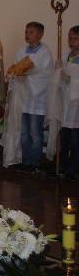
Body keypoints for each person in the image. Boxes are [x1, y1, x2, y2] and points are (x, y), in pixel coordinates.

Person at [3, 22, 52, 171]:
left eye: (31, 32)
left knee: (35, 133)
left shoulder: (45, 53)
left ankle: (34, 162)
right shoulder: (20, 51)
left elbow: (44, 74)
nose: (27, 34)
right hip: (23, 99)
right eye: (26, 32)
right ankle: (24, 160)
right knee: (23, 132)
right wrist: (14, 73)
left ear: (40, 34)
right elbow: (16, 69)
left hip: (38, 99)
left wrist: (25, 74)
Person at [48, 26, 79, 181]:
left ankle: (73, 170)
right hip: (65, 102)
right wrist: (58, 72)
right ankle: (62, 165)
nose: (71, 41)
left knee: (75, 140)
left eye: (75, 38)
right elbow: (57, 80)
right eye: (69, 38)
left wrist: (70, 79)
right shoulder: (65, 56)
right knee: (64, 137)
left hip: (76, 104)